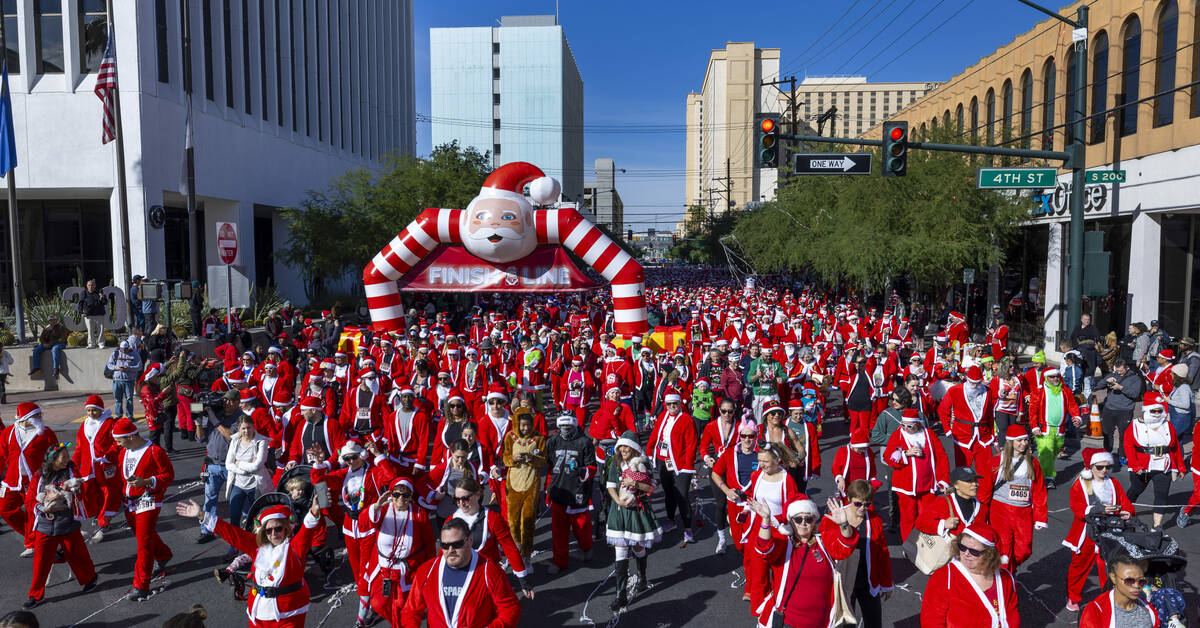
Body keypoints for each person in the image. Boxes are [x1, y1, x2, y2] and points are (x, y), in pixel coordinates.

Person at [175, 495, 323, 627]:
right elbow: (232, 533)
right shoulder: (257, 547)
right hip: (258, 612)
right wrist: (202, 515)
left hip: (288, 614)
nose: (273, 533)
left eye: (278, 529)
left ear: (286, 529)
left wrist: (314, 512)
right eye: (268, 530)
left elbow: (306, 531)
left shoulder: (294, 549)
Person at [747, 496, 860, 628]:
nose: (803, 523)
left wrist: (843, 524)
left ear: (814, 521)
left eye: (808, 519)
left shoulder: (824, 542)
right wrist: (765, 520)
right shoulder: (784, 544)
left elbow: (847, 545)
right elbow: (764, 548)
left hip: (820, 622)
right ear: (791, 521)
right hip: (787, 621)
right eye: (798, 519)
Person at [399, 517, 522, 628]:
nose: (450, 550)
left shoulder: (489, 570)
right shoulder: (427, 571)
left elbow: (510, 609)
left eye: (456, 544)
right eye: (445, 545)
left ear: (469, 540)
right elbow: (410, 611)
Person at [22, 443, 100, 609]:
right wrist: (43, 507)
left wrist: (74, 490)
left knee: (77, 554)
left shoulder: (72, 471)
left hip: (67, 522)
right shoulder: (39, 476)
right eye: (63, 456)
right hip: (45, 524)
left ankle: (90, 578)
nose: (67, 459)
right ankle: (36, 595)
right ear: (53, 460)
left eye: (67, 455)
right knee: (41, 562)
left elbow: (82, 491)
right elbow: (30, 500)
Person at [1064, 448, 1135, 612]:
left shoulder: (1113, 483)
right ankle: (1073, 596)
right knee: (1079, 566)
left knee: (1107, 567)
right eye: (1100, 467)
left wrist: (1127, 512)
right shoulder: (1081, 484)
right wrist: (1100, 509)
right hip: (1086, 533)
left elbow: (1125, 503)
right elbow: (1078, 508)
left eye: (1107, 467)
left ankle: (1107, 599)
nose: (1104, 471)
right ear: (1090, 467)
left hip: (1109, 532)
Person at [359, 477, 435, 628]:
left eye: (405, 495)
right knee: (379, 603)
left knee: (404, 607)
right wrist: (375, 506)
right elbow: (363, 524)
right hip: (383, 569)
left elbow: (430, 544)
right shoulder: (383, 510)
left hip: (408, 570)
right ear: (391, 495)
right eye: (397, 494)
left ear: (411, 496)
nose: (401, 498)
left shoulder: (419, 514)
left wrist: (429, 571)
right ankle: (396, 623)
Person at [113, 417, 175, 600]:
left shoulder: (155, 451)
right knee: (144, 534)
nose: (117, 444)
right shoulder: (123, 453)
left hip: (149, 500)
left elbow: (168, 475)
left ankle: (141, 585)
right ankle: (163, 554)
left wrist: (147, 481)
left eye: (119, 440)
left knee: (143, 542)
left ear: (131, 437)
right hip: (129, 501)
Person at [919, 522, 1020, 627]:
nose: (966, 553)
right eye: (962, 547)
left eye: (974, 551)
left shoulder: (1005, 579)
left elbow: (1012, 616)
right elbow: (931, 621)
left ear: (989, 554)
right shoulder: (944, 577)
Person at [977, 425, 1048, 570]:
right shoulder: (997, 462)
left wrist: (1040, 517)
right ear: (1011, 442)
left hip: (1023, 512)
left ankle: (1009, 569)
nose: (1024, 443)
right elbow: (984, 491)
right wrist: (980, 517)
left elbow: (1039, 490)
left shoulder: (1032, 463)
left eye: (1025, 440)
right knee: (1004, 548)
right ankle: (1005, 577)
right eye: (1019, 441)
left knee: (1024, 549)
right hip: (1000, 510)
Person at [604, 430, 661, 611]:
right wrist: (618, 500)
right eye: (620, 447)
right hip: (619, 510)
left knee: (637, 547)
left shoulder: (644, 463)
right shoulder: (615, 462)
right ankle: (620, 595)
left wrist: (634, 483)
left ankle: (642, 577)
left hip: (637, 511)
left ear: (634, 448)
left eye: (626, 447)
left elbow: (651, 489)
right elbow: (610, 486)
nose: (623, 450)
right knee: (620, 551)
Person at [450, 475, 533, 597]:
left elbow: (509, 548)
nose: (461, 504)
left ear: (478, 495)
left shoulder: (493, 519)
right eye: (457, 500)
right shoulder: (451, 521)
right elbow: (444, 555)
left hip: (489, 576)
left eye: (466, 499)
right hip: (462, 579)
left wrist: (523, 580)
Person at [0, 402, 60, 556]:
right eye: (36, 416)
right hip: (12, 481)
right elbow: (2, 457)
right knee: (5, 510)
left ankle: (34, 542)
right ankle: (32, 535)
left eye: (40, 415)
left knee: (34, 512)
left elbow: (55, 454)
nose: (40, 418)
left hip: (36, 481)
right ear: (24, 418)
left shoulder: (45, 432)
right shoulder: (8, 433)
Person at [883, 409, 950, 540]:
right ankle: (908, 546)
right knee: (908, 518)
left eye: (909, 426)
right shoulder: (898, 435)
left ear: (917, 424)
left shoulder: (928, 434)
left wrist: (943, 480)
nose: (905, 428)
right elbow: (887, 457)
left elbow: (941, 457)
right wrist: (906, 453)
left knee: (928, 517)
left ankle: (927, 547)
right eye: (903, 425)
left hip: (928, 485)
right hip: (905, 486)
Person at [1123, 393, 1184, 530]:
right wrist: (1134, 464)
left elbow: (1175, 448)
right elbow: (1128, 446)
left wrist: (1180, 467)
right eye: (1153, 411)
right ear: (1146, 410)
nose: (1157, 413)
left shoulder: (1168, 425)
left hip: (1163, 466)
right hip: (1142, 466)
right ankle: (1123, 512)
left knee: (1161, 495)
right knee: (1136, 489)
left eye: (1159, 410)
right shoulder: (1135, 425)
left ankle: (1157, 526)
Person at [544, 412, 596, 573]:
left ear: (575, 425)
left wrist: (582, 471)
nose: (565, 429)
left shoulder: (584, 442)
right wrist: (549, 490)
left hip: (577, 491)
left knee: (582, 530)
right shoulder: (553, 442)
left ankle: (587, 548)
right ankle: (559, 561)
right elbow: (550, 468)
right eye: (562, 426)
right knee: (559, 532)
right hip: (559, 491)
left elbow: (592, 467)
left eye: (568, 426)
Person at [838, 479, 893, 628]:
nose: (862, 508)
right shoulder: (835, 518)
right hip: (844, 582)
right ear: (849, 499)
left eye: (867, 504)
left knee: (874, 623)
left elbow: (882, 553)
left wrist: (887, 584)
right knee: (847, 624)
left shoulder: (875, 521)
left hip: (868, 580)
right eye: (858, 503)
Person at [646, 393, 697, 540]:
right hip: (663, 461)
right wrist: (649, 449)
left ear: (680, 403)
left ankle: (687, 528)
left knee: (682, 496)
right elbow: (655, 434)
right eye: (669, 404)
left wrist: (688, 465)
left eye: (675, 403)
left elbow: (691, 444)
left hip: (681, 465)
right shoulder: (663, 416)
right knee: (669, 493)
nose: (672, 406)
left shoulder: (687, 420)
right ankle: (671, 521)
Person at [73, 395, 121, 542]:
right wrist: (74, 464)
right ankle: (98, 515)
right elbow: (80, 447)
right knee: (89, 494)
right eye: (88, 411)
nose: (91, 414)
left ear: (100, 410)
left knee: (106, 493)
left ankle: (103, 522)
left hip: (105, 466)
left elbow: (117, 443)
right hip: (88, 468)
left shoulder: (110, 423)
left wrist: (107, 455)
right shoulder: (84, 425)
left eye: (94, 410)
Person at [501, 411, 546, 561]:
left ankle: (526, 555)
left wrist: (532, 458)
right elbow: (505, 458)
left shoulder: (539, 438)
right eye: (522, 426)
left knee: (527, 521)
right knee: (513, 522)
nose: (525, 429)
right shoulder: (509, 437)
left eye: (528, 425)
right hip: (513, 483)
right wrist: (512, 458)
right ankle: (516, 549)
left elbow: (543, 461)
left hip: (531, 484)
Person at [1028, 368, 1082, 489]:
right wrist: (1034, 426)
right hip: (1044, 429)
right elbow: (1032, 411)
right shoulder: (1039, 391)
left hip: (1060, 430)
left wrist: (1077, 417)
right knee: (1046, 453)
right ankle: (1048, 478)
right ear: (1046, 378)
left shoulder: (1065, 390)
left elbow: (1072, 405)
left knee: (1052, 454)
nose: (1055, 379)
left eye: (1057, 376)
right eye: (1052, 377)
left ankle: (1037, 473)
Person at [1078, 554, 1162, 628]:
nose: (1136, 586)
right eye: (1129, 581)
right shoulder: (1095, 611)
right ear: (1114, 578)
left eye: (1141, 581)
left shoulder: (1148, 609)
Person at [938, 366, 997, 468]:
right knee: (963, 471)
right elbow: (942, 410)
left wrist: (993, 434)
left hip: (983, 436)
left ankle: (986, 484)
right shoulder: (955, 390)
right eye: (972, 382)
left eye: (977, 383)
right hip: (962, 435)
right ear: (967, 379)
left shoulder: (988, 391)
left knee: (986, 470)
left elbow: (990, 415)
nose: (974, 385)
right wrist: (948, 429)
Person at [225, 415, 272, 535]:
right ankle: (234, 545)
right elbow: (228, 464)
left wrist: (239, 463)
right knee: (234, 516)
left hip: (255, 486)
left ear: (253, 427)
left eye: (249, 428)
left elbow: (257, 466)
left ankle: (255, 543)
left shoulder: (261, 442)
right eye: (243, 428)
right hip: (238, 485)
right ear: (239, 429)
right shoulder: (235, 441)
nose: (246, 431)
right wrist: (244, 469)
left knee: (255, 517)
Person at [915, 466, 989, 539]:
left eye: (975, 480)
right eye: (969, 481)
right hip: (946, 549)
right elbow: (920, 522)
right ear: (956, 485)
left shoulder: (982, 508)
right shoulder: (943, 502)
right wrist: (944, 524)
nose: (975, 484)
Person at [1094, 359, 1143, 462]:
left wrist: (1121, 388)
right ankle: (1107, 453)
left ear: (1126, 367)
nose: (1118, 372)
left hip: (1125, 410)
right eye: (1117, 370)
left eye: (1120, 370)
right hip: (1109, 408)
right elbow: (1099, 386)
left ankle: (1122, 455)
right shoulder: (1113, 374)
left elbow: (1135, 394)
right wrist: (1106, 381)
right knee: (1107, 433)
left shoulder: (1135, 378)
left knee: (1124, 435)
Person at [107, 340, 143, 420]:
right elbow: (109, 364)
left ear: (128, 347)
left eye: (125, 349)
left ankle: (129, 416)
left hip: (129, 380)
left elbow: (139, 366)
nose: (124, 351)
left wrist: (129, 368)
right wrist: (117, 368)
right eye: (122, 349)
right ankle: (118, 416)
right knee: (117, 399)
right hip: (117, 380)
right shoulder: (115, 353)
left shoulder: (134, 354)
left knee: (129, 399)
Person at [79, 278, 109, 349]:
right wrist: (81, 312)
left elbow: (105, 302)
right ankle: (91, 344)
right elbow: (80, 303)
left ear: (95, 286)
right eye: (89, 285)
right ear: (86, 286)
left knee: (101, 329)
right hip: (88, 314)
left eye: (92, 285)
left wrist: (102, 298)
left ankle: (101, 343)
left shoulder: (99, 292)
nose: (90, 286)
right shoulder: (83, 293)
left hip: (99, 313)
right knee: (90, 330)